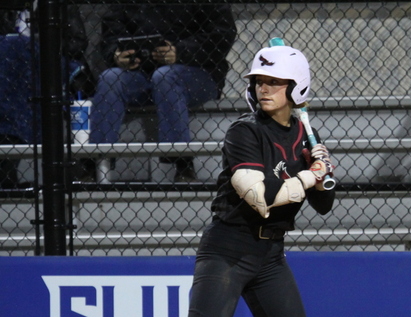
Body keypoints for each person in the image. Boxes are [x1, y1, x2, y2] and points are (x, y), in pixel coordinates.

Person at [133, 43, 338, 317]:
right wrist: (307, 175)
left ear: (294, 87)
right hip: (227, 250)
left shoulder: (304, 135)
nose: (264, 89)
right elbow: (263, 199)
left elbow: (325, 205)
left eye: (274, 83)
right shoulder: (243, 133)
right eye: (259, 82)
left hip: (269, 257)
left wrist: (322, 169)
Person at [86, 5, 236, 183]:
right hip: (141, 73)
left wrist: (180, 52)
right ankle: (93, 163)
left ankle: (183, 164)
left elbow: (223, 34)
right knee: (110, 78)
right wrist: (117, 55)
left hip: (196, 72)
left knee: (165, 76)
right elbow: (112, 32)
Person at [0, 5, 92, 187]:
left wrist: (34, 47)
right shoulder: (5, 7)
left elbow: (76, 43)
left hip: (48, 66)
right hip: (9, 74)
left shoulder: (58, 6)